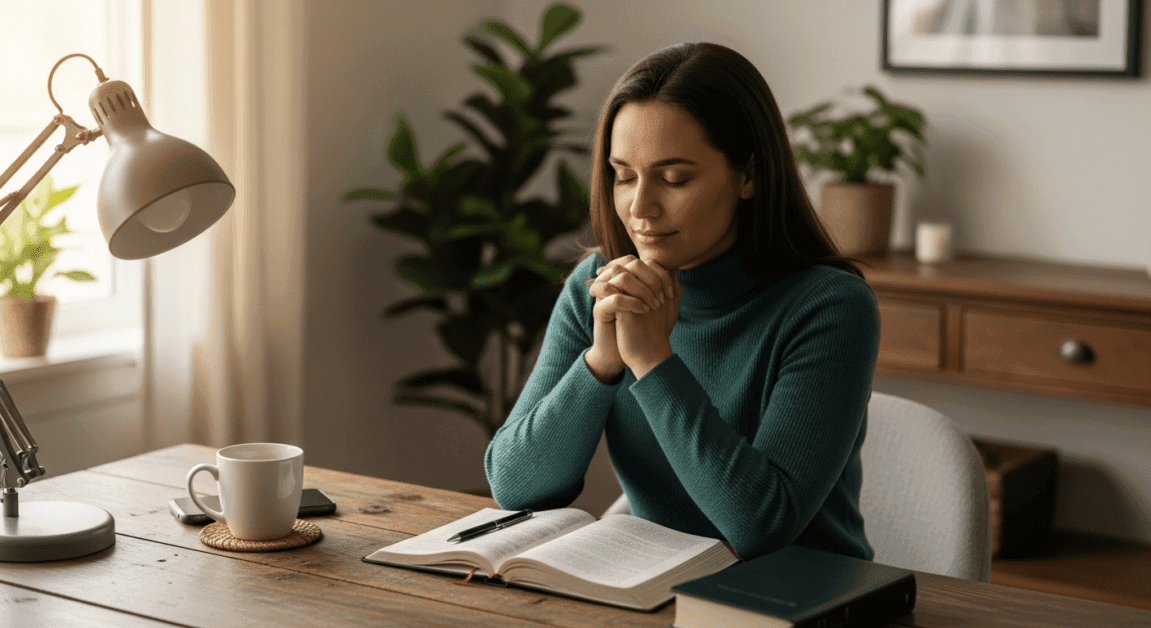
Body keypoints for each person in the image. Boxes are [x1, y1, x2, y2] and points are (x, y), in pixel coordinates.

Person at [484, 42, 880, 561]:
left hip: (801, 601)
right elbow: (514, 487)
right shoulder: (600, 286)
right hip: (656, 587)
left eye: (675, 178)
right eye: (623, 176)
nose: (640, 207)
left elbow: (761, 527)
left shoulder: (829, 307)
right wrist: (601, 362)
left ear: (749, 175)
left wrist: (650, 360)